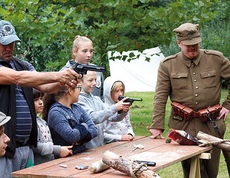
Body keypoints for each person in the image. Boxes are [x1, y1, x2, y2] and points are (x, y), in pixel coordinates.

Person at [0, 20, 80, 178]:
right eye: (4, 43)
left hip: (26, 146)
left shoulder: (22, 64)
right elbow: (16, 78)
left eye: (12, 43)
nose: (9, 48)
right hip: (0, 148)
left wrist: (65, 79)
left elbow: (46, 87)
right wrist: (58, 75)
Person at [148, 22, 230, 178]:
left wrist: (228, 105)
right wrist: (157, 125)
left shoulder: (216, 59)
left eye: (195, 44)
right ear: (179, 43)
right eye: (188, 45)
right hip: (183, 126)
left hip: (211, 124)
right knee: (191, 171)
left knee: (211, 171)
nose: (192, 48)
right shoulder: (168, 65)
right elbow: (160, 96)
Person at [77, 71, 131, 149]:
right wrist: (115, 107)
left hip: (100, 146)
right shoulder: (78, 100)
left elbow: (112, 118)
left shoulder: (96, 99)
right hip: (86, 147)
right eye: (90, 80)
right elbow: (93, 118)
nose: (94, 83)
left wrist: (123, 111)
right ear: (80, 82)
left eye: (95, 80)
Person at [43, 85, 98, 154]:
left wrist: (79, 136)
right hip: (64, 159)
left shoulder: (78, 107)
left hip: (82, 153)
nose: (80, 91)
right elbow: (71, 136)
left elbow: (94, 130)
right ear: (70, 90)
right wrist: (84, 126)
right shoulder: (56, 112)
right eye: (78, 88)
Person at [32, 89, 72, 165]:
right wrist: (58, 150)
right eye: (36, 100)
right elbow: (35, 146)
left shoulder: (43, 122)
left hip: (49, 163)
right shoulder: (31, 123)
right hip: (37, 165)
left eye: (41, 99)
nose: (40, 102)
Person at [61, 35, 105, 100]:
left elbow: (101, 96)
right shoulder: (65, 72)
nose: (89, 55)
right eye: (84, 51)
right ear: (74, 52)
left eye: (91, 51)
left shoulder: (97, 71)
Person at [103, 76, 135, 144]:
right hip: (110, 145)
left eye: (122, 90)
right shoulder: (104, 109)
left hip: (125, 143)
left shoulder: (123, 106)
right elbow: (102, 135)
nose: (120, 94)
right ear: (108, 92)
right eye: (116, 91)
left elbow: (128, 125)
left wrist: (130, 134)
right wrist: (120, 137)